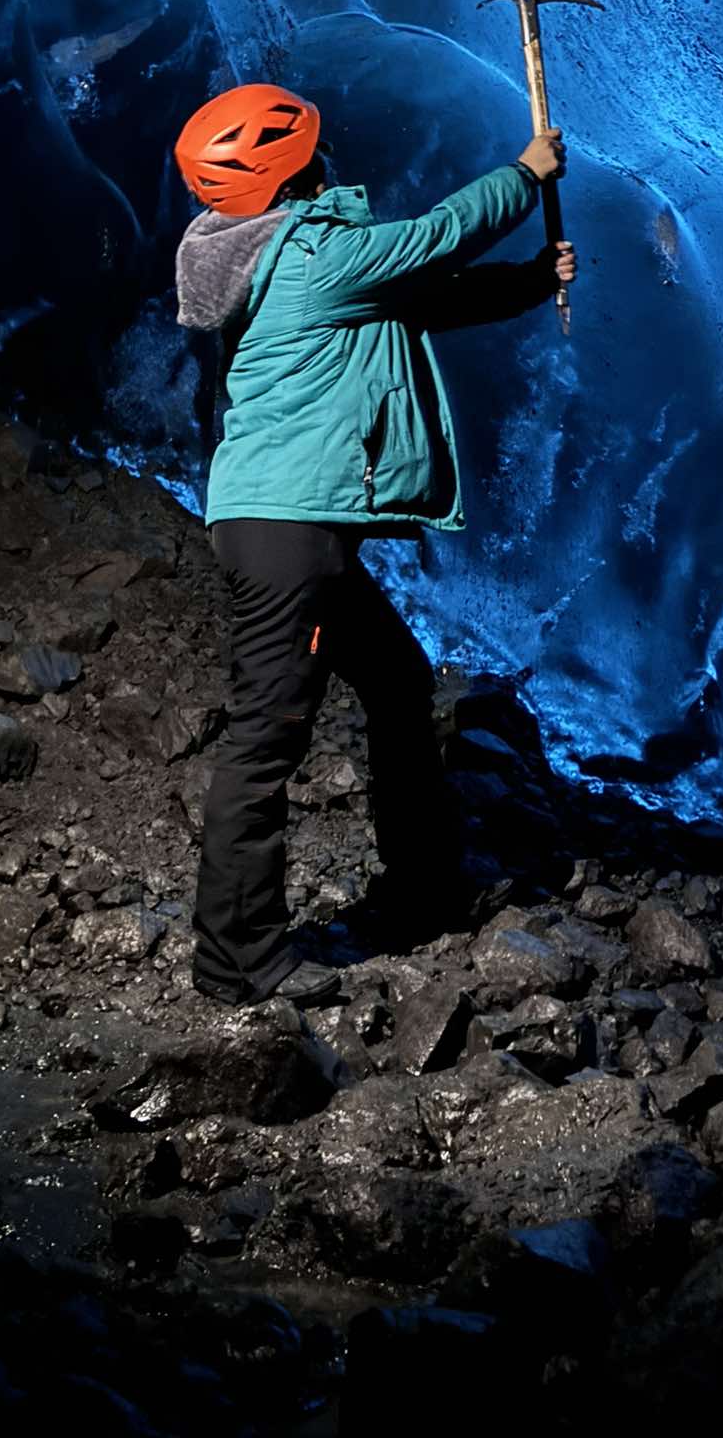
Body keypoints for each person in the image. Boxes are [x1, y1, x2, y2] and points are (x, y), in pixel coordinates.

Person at [171, 82, 576, 1007]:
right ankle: (239, 961)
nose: (326, 158)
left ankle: (424, 891)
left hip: (288, 526)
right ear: (289, 172)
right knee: (265, 742)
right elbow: (430, 242)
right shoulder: (311, 254)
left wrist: (527, 282)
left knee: (396, 683)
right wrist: (525, 176)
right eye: (310, 149)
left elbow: (413, 296)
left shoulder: (296, 260)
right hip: (288, 533)